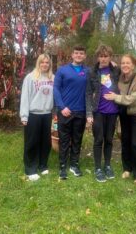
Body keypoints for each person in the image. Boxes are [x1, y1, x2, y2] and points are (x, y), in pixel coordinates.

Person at [104, 54, 136, 186]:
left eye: (128, 63)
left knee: (135, 143)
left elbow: (134, 98)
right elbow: (110, 74)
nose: (125, 65)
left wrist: (116, 97)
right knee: (125, 141)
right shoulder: (120, 77)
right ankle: (127, 168)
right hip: (124, 113)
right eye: (123, 63)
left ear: (133, 65)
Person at [53, 45, 88, 180]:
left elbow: (101, 73)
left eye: (81, 53)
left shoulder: (88, 71)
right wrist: (62, 107)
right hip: (65, 112)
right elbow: (56, 89)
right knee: (64, 140)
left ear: (84, 56)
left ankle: (74, 165)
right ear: (72, 55)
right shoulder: (62, 70)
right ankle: (62, 166)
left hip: (81, 111)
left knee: (77, 139)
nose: (79, 55)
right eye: (76, 53)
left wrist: (113, 65)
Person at [86, 45, 120, 182]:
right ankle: (98, 168)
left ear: (110, 57)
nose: (104, 58)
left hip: (113, 112)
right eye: (101, 56)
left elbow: (127, 73)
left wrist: (116, 65)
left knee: (109, 140)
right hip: (98, 111)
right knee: (98, 140)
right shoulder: (92, 72)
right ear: (98, 57)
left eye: (106, 56)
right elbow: (88, 93)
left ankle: (107, 165)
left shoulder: (116, 71)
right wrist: (89, 113)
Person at [20, 53, 54, 181]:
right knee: (31, 142)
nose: (45, 64)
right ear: (38, 63)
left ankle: (42, 165)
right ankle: (30, 168)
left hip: (47, 114)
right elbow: (25, 97)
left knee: (45, 142)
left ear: (49, 64)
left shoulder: (53, 78)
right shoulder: (30, 78)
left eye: (47, 62)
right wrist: (24, 115)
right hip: (33, 114)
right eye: (42, 62)